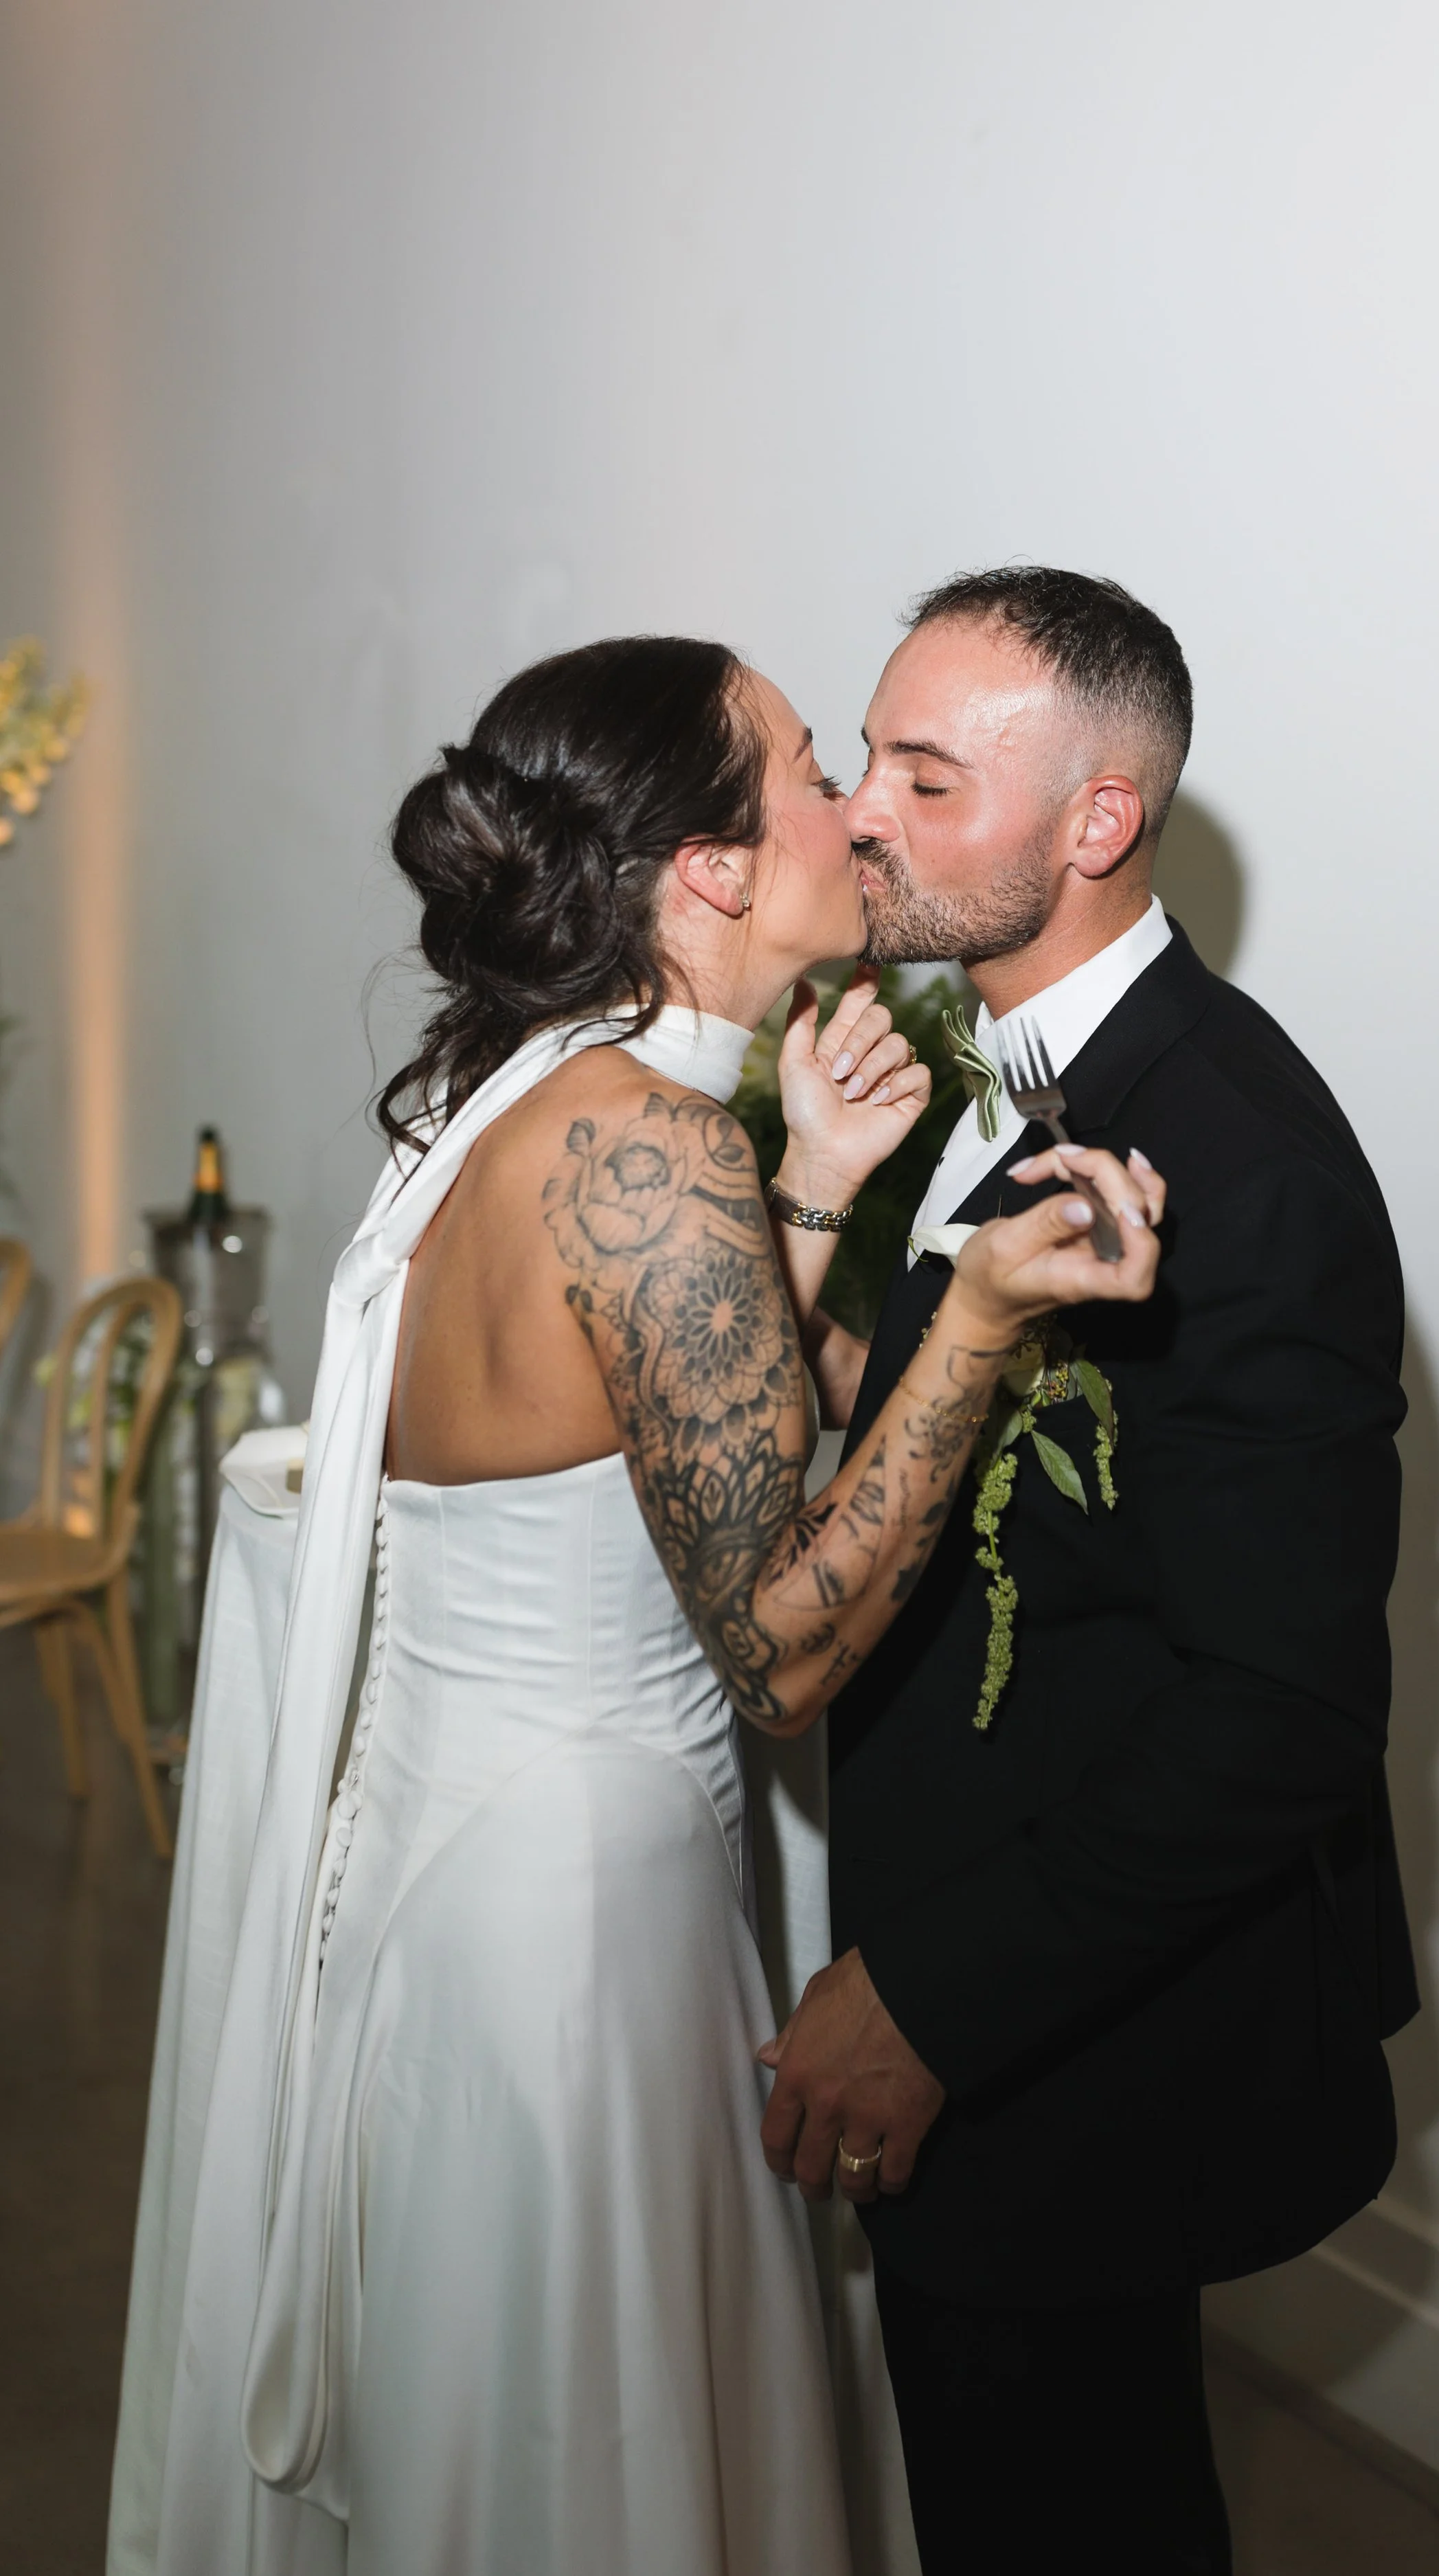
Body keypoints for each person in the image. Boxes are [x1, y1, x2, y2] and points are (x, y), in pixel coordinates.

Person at [113, 633, 1164, 2576]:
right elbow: (780, 1647)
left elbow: (644, 1428)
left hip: (468, 1880)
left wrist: (812, 1189)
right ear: (710, 867)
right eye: (808, 768)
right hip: (573, 1933)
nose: (854, 808)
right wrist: (980, 1321)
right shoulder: (651, 1149)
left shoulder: (540, 1098)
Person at [757, 569, 1418, 2575]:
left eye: (924, 777)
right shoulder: (982, 1065)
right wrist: (817, 1212)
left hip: (1074, 2005)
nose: (859, 811)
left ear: (1095, 823)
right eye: (867, 758)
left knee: (1068, 2510)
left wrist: (931, 1996)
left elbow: (1285, 1708)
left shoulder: (1247, 1163)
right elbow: (928, 1450)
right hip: (962, 1896)